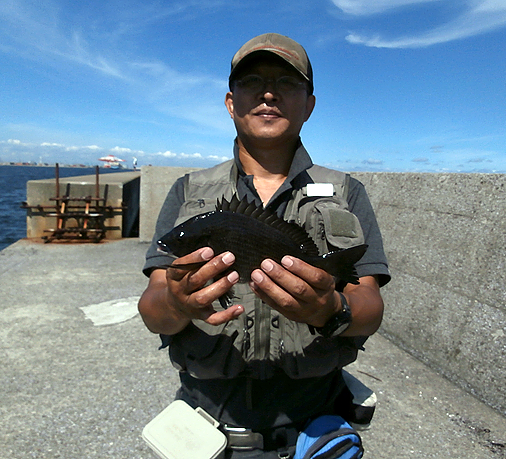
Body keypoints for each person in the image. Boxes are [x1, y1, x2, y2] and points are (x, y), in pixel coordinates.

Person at [138, 33, 391, 458]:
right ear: (231, 102)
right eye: (252, 81)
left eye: (287, 83)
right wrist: (178, 304)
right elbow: (152, 309)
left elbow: (370, 307)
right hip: (207, 432)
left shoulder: (348, 192)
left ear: (310, 104)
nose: (269, 93)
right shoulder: (188, 191)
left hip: (313, 433)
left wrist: (331, 309)